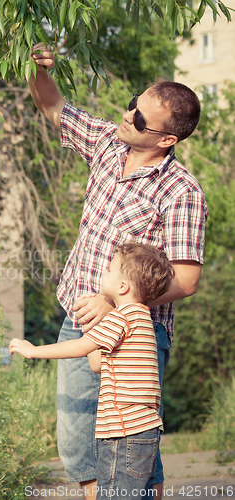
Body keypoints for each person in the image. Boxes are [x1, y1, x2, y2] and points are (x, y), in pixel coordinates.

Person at [27, 43, 208, 500]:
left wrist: (117, 299)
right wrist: (38, 70)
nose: (129, 117)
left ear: (167, 139)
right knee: (77, 446)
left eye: (142, 119)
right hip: (79, 316)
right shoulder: (109, 142)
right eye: (133, 105)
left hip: (135, 333)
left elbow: (185, 280)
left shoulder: (181, 191)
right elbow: (51, 105)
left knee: (131, 449)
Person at [10, 242, 175, 500]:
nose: (104, 274)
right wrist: (92, 327)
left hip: (123, 434)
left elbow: (79, 348)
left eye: (109, 270)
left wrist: (32, 350)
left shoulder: (120, 318)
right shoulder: (142, 319)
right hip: (144, 433)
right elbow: (97, 364)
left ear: (123, 286)